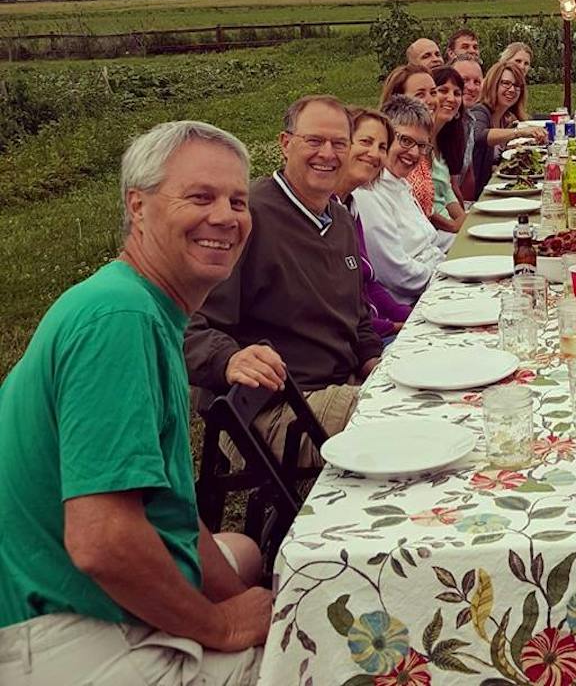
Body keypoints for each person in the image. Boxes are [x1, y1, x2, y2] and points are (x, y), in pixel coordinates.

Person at [0, 121, 269, 685]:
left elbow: (166, 505)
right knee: (320, 660)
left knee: (242, 553)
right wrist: (220, 626)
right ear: (138, 206)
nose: (225, 216)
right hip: (55, 632)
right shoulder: (120, 321)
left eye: (237, 200)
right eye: (200, 196)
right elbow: (102, 543)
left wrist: (238, 600)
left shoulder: (138, 305)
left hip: (60, 590)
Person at [185, 96, 383, 463]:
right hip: (275, 408)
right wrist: (228, 358)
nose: (328, 153)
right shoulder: (246, 219)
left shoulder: (338, 220)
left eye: (339, 143)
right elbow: (183, 324)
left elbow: (358, 316)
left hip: (342, 385)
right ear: (285, 143)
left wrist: (375, 361)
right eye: (314, 141)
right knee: (407, 421)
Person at [350, 95, 448, 304]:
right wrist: (444, 272)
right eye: (405, 140)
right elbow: (397, 274)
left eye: (421, 146)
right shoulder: (366, 193)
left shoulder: (400, 183)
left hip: (431, 285)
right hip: (411, 303)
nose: (414, 153)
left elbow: (430, 242)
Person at [335, 108, 413, 343]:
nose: (374, 153)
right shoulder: (327, 211)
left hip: (374, 330)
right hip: (361, 342)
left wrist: (413, 317)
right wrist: (394, 326)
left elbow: (369, 282)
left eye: (381, 147)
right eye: (366, 142)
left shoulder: (351, 205)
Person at [469, 60, 546, 195]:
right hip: (478, 195)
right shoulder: (480, 111)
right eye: (505, 83)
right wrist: (519, 133)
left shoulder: (505, 118)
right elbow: (479, 136)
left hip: (495, 188)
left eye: (517, 86)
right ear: (493, 84)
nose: (512, 90)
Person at [379, 65, 439, 223]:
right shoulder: (386, 164)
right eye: (420, 94)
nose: (430, 100)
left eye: (433, 92)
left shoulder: (423, 146)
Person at [429, 64, 468, 233]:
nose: (451, 98)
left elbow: (447, 192)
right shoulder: (416, 145)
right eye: (443, 90)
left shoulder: (444, 141)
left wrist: (464, 220)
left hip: (448, 228)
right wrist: (453, 226)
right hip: (433, 233)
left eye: (457, 93)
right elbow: (420, 203)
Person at [450, 54, 484, 200]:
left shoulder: (469, 119)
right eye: (464, 80)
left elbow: (467, 175)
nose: (471, 87)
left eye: (477, 82)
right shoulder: (442, 122)